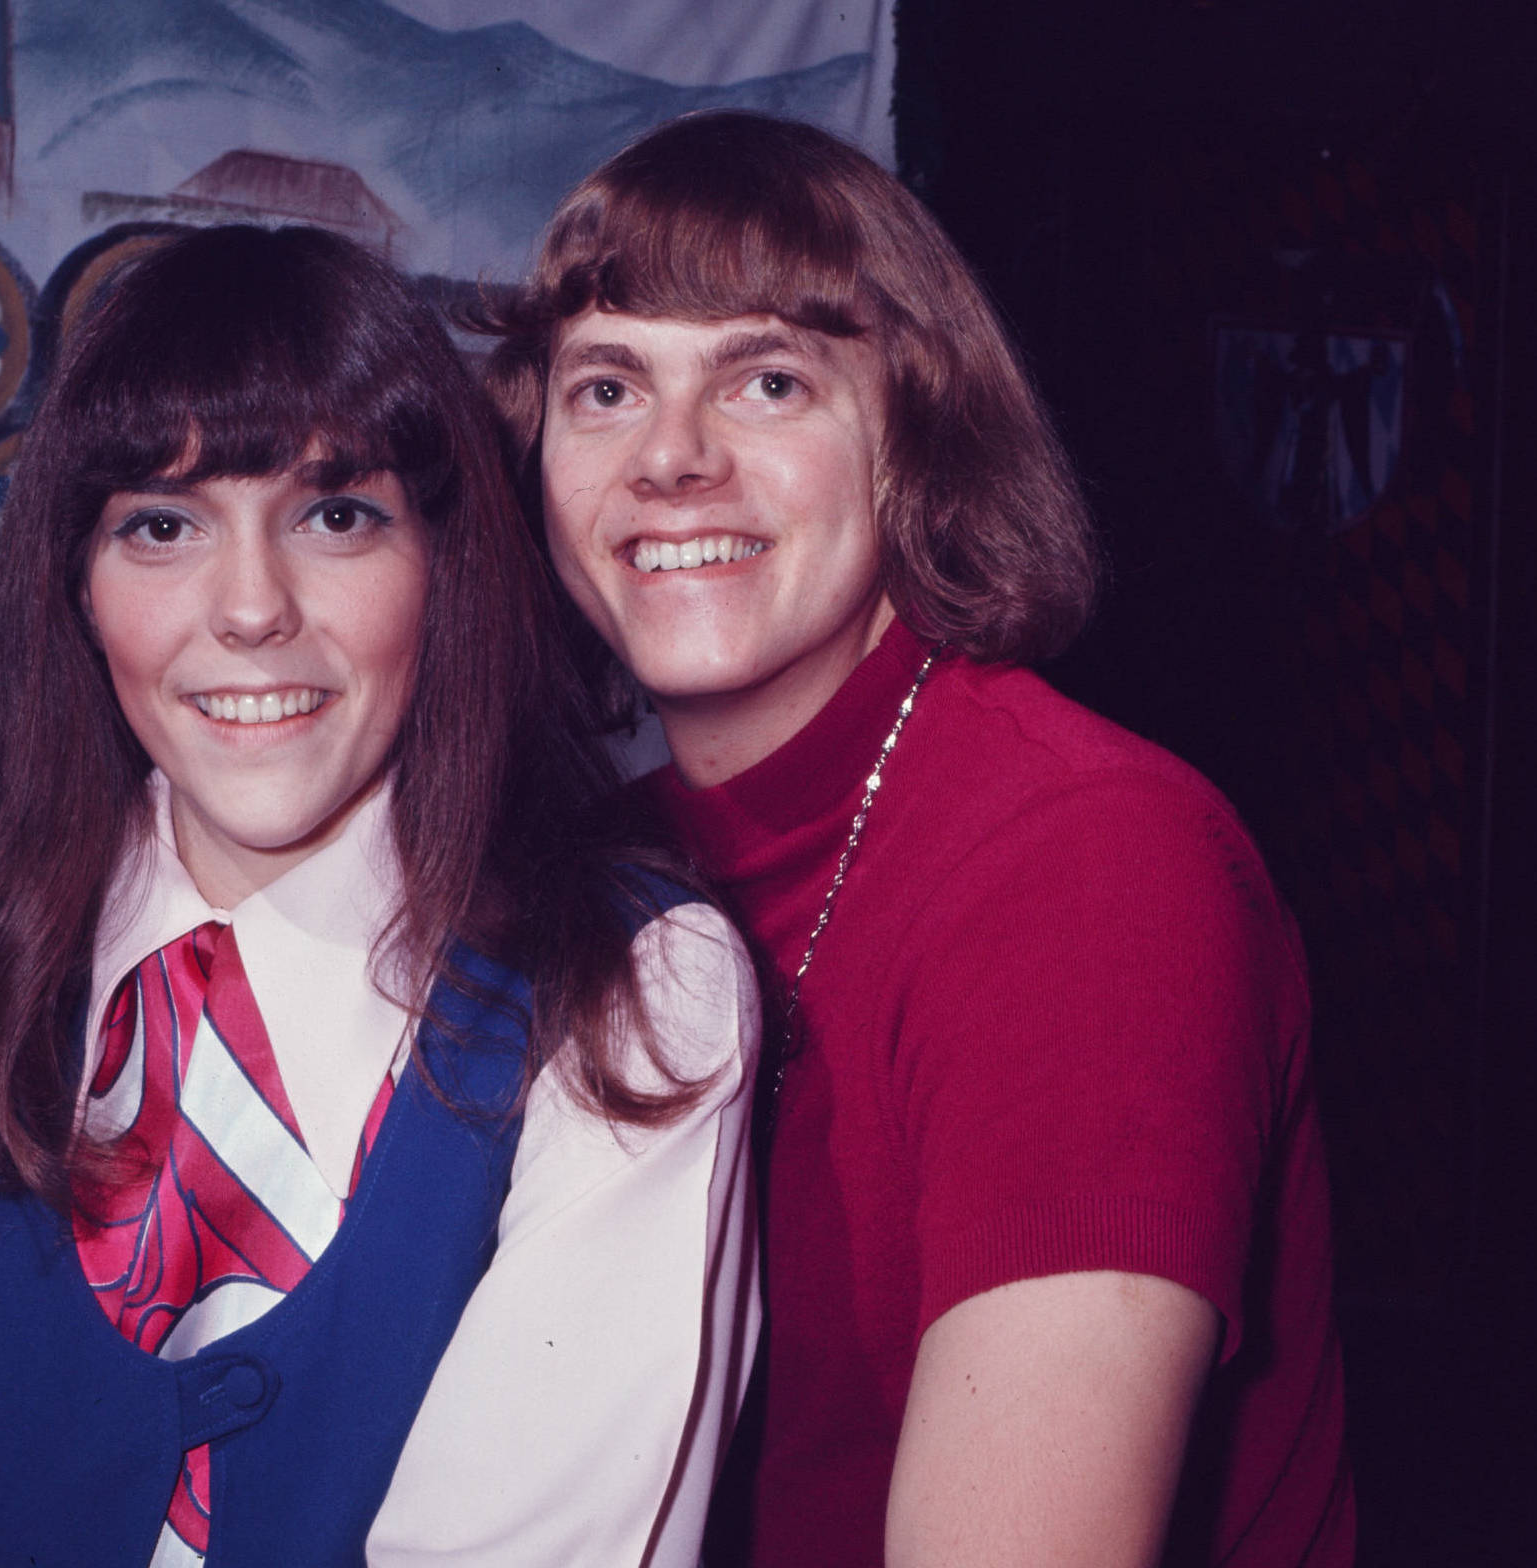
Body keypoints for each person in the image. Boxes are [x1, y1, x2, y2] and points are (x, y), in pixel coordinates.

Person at [0, 225, 759, 1567]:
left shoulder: (629, 997)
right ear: (77, 587)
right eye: (161, 527)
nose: (248, 609)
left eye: (334, 516)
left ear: (443, 568)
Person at [484, 112, 1353, 1567]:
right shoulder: (588, 873)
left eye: (767, 380)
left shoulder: (1087, 861)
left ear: (918, 440)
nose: (670, 458)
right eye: (606, 388)